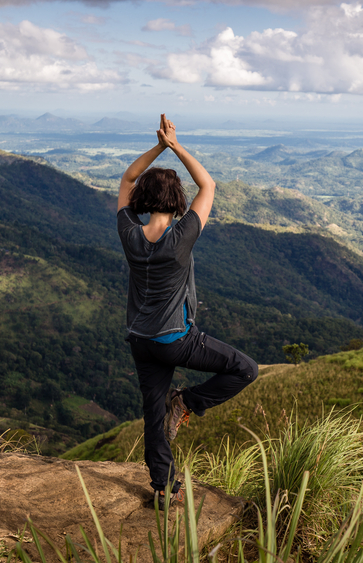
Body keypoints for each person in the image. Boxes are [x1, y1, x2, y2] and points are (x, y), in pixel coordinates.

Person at [117, 113, 258, 503]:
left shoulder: (129, 233)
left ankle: (163, 488)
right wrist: (176, 146)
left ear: (144, 199)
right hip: (177, 339)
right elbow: (208, 184)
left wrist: (158, 147)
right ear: (177, 200)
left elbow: (128, 179)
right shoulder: (181, 237)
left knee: (153, 414)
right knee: (246, 368)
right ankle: (188, 403)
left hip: (140, 340)